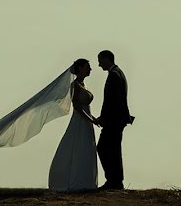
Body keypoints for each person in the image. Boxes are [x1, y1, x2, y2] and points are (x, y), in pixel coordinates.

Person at [48, 58, 100, 191]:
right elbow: (77, 106)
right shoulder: (75, 85)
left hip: (86, 120)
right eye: (88, 66)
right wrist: (91, 120)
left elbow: (85, 108)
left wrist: (93, 118)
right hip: (79, 121)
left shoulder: (84, 84)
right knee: (77, 146)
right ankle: (74, 180)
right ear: (81, 68)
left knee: (86, 147)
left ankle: (86, 180)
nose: (90, 69)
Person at [95, 50, 133, 190]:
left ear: (106, 59)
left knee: (104, 148)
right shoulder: (118, 73)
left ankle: (113, 180)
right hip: (118, 119)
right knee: (113, 149)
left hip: (114, 120)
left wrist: (104, 118)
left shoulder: (114, 75)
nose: (99, 64)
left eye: (100, 61)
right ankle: (116, 181)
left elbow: (111, 101)